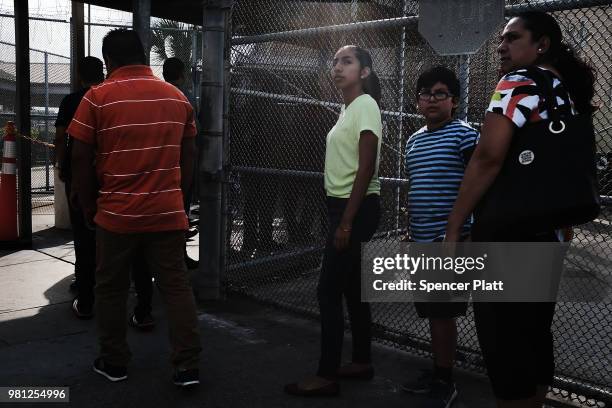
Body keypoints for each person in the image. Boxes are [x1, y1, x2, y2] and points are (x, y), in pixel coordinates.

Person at [444, 11, 595, 408]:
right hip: (548, 233)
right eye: (502, 39)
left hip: (510, 236)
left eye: (512, 38)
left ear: (541, 44)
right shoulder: (562, 89)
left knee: (506, 347)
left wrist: (454, 227)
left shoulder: (517, 81)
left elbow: (488, 157)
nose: (501, 45)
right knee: (533, 339)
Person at [68, 29, 202, 387]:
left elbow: (79, 157)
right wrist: (179, 198)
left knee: (110, 288)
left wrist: (88, 204)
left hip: (116, 216)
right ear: (144, 57)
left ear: (108, 61)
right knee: (175, 286)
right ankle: (187, 366)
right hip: (167, 211)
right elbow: (188, 155)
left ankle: (114, 362)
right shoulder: (177, 98)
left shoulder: (97, 98)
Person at [285, 45, 382, 397]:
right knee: (353, 289)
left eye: (347, 61)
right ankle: (361, 361)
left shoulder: (366, 105)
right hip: (343, 207)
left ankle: (326, 375)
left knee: (327, 291)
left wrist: (345, 223)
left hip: (352, 209)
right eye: (335, 62)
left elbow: (366, 167)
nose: (337, 67)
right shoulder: (348, 108)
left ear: (365, 72)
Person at [402, 66, 478, 407]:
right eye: (425, 93)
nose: (431, 99)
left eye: (440, 93)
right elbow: (416, 189)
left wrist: (464, 232)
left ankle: (446, 381)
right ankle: (439, 372)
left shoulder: (465, 136)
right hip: (422, 240)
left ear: (455, 101)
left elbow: (477, 186)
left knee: (444, 313)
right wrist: (409, 231)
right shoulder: (413, 141)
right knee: (433, 312)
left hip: (450, 242)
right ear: (417, 102)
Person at [54, 56, 104, 319]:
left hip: (80, 176)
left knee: (83, 232)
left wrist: (62, 167)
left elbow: (62, 137)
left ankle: (85, 293)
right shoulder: (110, 98)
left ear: (79, 75)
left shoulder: (72, 101)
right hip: (109, 175)